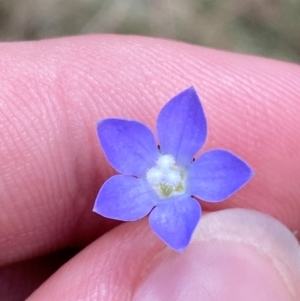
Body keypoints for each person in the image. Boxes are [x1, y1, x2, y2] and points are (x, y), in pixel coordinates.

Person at [0, 35, 300, 301]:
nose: (170, 178)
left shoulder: (211, 172)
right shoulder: (120, 195)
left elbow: (229, 174)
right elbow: (112, 172)